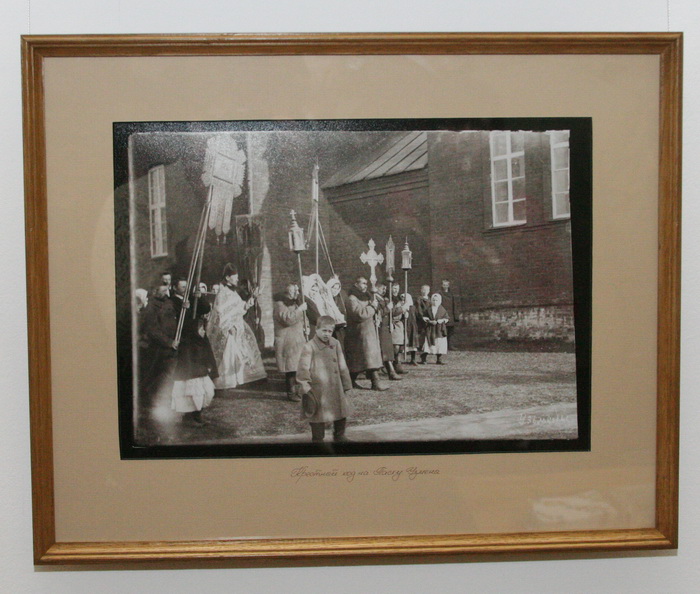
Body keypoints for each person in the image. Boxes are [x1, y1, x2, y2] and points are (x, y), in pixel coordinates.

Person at [206, 263, 267, 389]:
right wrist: (228, 326)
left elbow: (240, 308)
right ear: (228, 278)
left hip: (237, 328)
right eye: (235, 277)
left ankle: (238, 379)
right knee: (229, 357)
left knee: (240, 353)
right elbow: (220, 312)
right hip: (228, 330)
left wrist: (253, 297)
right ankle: (226, 382)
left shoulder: (232, 292)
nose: (237, 280)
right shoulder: (223, 293)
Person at [296, 315, 353, 443]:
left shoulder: (335, 343)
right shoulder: (310, 346)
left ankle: (339, 436)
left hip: (336, 386)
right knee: (317, 415)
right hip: (318, 388)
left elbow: (342, 365)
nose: (327, 334)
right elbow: (303, 368)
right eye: (324, 330)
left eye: (329, 331)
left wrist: (346, 384)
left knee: (341, 411)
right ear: (316, 329)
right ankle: (318, 439)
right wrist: (305, 385)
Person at [169, 279, 219, 424]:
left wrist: (199, 297)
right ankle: (189, 416)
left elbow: (205, 309)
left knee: (200, 378)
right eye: (182, 286)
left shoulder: (190, 297)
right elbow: (178, 323)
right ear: (175, 288)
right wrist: (184, 309)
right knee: (189, 380)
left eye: (187, 286)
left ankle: (197, 413)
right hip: (186, 346)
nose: (185, 289)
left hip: (197, 344)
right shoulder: (172, 302)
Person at [344, 276, 387, 391]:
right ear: (356, 284)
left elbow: (374, 310)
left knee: (364, 358)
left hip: (369, 331)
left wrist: (376, 312)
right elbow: (359, 314)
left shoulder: (367, 297)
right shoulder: (352, 299)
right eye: (363, 283)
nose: (365, 286)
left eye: (366, 283)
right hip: (359, 332)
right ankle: (375, 382)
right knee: (366, 357)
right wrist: (372, 307)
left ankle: (351, 380)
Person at [140, 283, 178, 402]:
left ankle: (154, 397)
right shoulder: (151, 307)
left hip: (169, 345)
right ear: (155, 291)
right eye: (163, 289)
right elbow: (153, 330)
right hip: (157, 347)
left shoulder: (169, 303)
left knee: (165, 372)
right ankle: (150, 397)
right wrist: (169, 342)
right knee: (154, 373)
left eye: (167, 289)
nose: (166, 291)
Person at [273, 282, 308, 401]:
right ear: (288, 293)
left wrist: (306, 327)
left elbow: (303, 318)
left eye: (297, 291)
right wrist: (300, 310)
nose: (297, 293)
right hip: (287, 342)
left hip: (297, 341)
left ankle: (298, 391)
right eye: (295, 291)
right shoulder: (280, 305)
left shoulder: (295, 303)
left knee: (297, 367)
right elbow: (287, 319)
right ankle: (291, 393)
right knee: (290, 369)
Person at [375, 282, 402, 380]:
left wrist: (390, 322)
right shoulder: (374, 299)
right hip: (380, 327)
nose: (384, 290)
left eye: (385, 289)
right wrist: (387, 308)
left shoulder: (384, 299)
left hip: (386, 327)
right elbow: (377, 314)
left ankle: (390, 371)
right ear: (376, 288)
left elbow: (391, 313)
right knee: (384, 350)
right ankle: (391, 372)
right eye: (382, 288)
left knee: (387, 350)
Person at [420, 293, 450, 364]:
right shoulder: (428, 309)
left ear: (440, 301)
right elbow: (424, 317)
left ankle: (439, 359)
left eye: (436, 300)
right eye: (433, 300)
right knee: (428, 343)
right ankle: (424, 357)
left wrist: (441, 321)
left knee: (439, 343)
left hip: (439, 329)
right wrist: (429, 321)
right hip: (430, 329)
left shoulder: (442, 309)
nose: (435, 302)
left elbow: (447, 318)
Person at [389, 284, 407, 374]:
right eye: (394, 288)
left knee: (400, 346)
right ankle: (393, 364)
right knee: (395, 345)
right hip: (392, 323)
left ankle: (398, 364)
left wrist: (405, 314)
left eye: (397, 289)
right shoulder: (389, 299)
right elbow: (391, 312)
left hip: (399, 324)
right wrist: (401, 309)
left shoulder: (400, 299)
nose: (396, 290)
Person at [326, 275, 348, 349]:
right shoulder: (325, 298)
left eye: (337, 289)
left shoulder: (341, 296)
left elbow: (345, 310)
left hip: (340, 326)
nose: (335, 290)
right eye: (333, 288)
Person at [439, 279, 457, 349]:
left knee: (451, 331)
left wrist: (455, 315)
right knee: (443, 330)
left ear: (448, 286)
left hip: (450, 315)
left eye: (446, 285)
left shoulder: (451, 294)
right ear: (441, 285)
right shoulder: (439, 294)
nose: (445, 286)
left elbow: (454, 304)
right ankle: (443, 346)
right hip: (443, 314)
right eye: (444, 285)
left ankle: (450, 345)